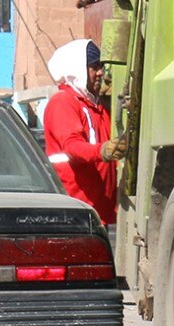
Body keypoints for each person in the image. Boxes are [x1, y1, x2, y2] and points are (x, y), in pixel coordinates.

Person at [43, 39, 125, 225]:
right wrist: (102, 151)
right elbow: (72, 146)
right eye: (94, 67)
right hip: (77, 215)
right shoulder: (63, 103)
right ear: (77, 70)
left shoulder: (97, 107)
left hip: (102, 214)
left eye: (101, 67)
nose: (100, 73)